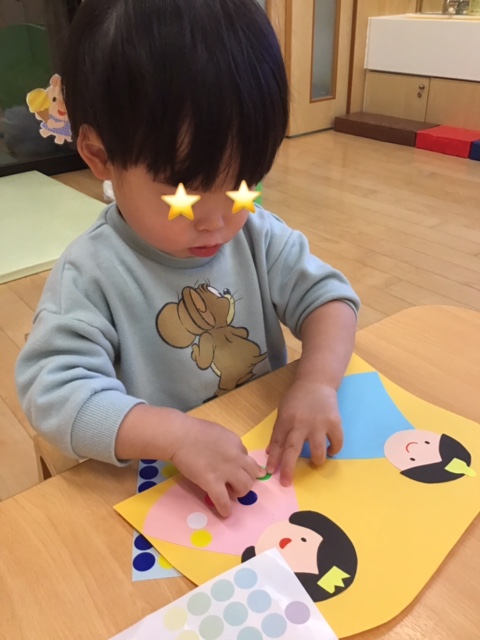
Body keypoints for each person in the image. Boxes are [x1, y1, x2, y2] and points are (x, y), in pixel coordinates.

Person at [15, 0, 360, 517]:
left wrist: (317, 382)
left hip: (254, 458)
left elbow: (329, 299)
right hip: (158, 485)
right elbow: (54, 395)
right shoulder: (92, 274)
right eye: (185, 193)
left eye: (242, 183)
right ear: (100, 156)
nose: (217, 221)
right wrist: (175, 436)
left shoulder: (255, 233)